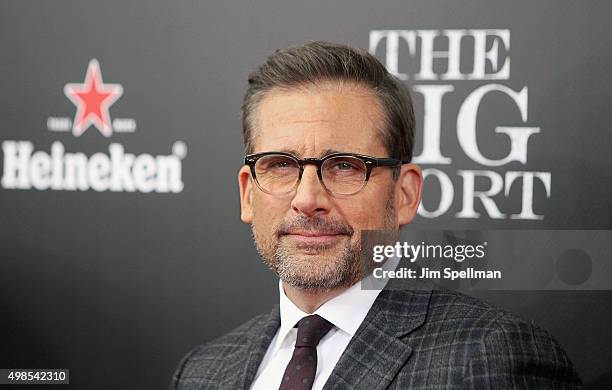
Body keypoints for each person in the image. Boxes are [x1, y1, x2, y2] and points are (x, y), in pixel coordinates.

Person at [170, 41, 582, 390]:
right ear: (247, 193)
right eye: (280, 165)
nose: (307, 198)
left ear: (405, 194)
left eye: (345, 166)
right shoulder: (202, 372)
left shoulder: (489, 358)